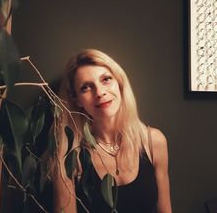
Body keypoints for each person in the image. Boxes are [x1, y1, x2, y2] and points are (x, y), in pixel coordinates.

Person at [51, 49, 172, 213]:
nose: (100, 93)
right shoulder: (68, 157)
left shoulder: (154, 142)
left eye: (106, 79)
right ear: (77, 100)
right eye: (86, 87)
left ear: (120, 83)